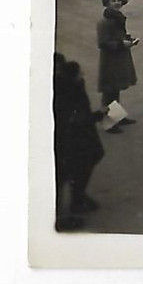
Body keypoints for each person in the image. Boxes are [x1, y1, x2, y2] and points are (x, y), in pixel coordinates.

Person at [53, 55, 105, 230]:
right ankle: (63, 216)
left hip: (80, 138)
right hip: (68, 141)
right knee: (64, 175)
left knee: (86, 162)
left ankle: (78, 197)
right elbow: (73, 118)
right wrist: (96, 116)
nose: (83, 76)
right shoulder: (64, 92)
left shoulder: (71, 86)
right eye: (79, 74)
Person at [95, 0, 138, 132]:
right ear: (107, 3)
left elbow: (119, 35)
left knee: (116, 88)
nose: (117, 3)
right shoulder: (105, 21)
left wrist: (127, 39)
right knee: (110, 90)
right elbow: (102, 42)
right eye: (114, 0)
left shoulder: (118, 18)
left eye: (119, 0)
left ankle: (117, 116)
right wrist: (121, 44)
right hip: (110, 59)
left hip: (119, 57)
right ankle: (109, 123)